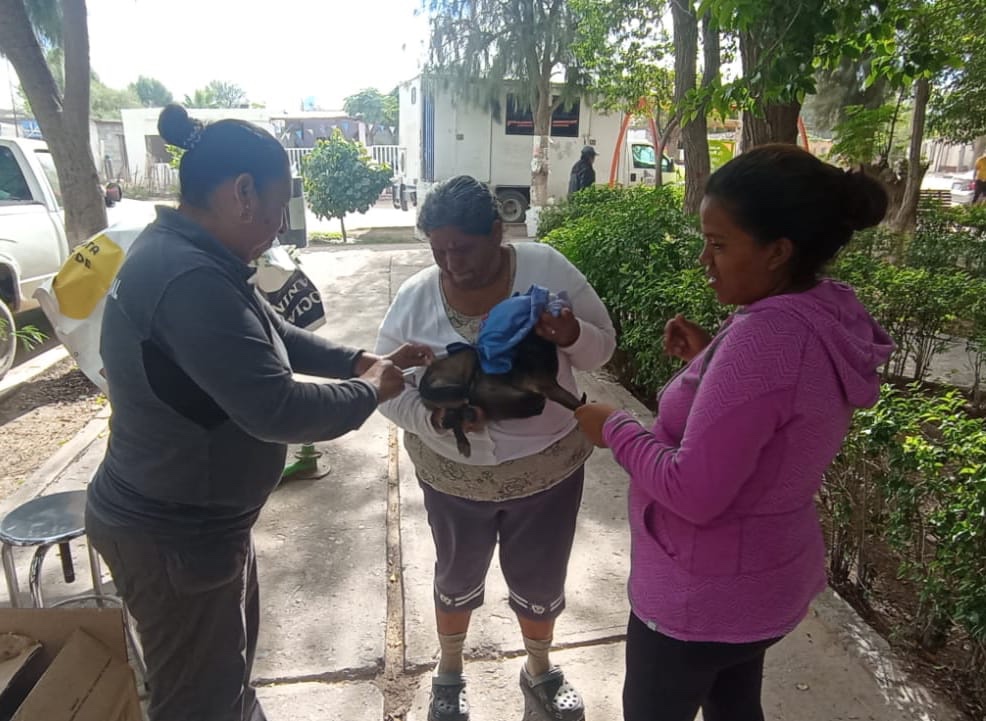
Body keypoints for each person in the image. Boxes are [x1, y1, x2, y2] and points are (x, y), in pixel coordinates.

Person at [85, 104, 430, 721]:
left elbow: (279, 335)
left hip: (202, 526)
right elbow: (276, 409)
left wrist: (360, 360)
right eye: (277, 203)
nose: (279, 221)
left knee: (225, 681)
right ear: (242, 193)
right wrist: (375, 390)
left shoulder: (197, 256)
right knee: (200, 703)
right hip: (172, 535)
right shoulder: (186, 278)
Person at [575, 144, 895, 721]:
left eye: (719, 244)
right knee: (734, 704)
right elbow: (781, 406)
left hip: (700, 598)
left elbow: (695, 492)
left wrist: (615, 427)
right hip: (763, 584)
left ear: (778, 251)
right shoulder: (824, 310)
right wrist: (710, 361)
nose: (705, 259)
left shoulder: (765, 340)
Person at [374, 175, 616, 721]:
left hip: (547, 473)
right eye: (439, 251)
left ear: (498, 231)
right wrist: (437, 420)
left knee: (539, 576)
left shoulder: (546, 270)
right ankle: (450, 672)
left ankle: (540, 671)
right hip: (453, 481)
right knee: (456, 577)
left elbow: (601, 352)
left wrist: (571, 334)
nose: (453, 263)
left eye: (464, 247)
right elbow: (385, 388)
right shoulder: (415, 298)